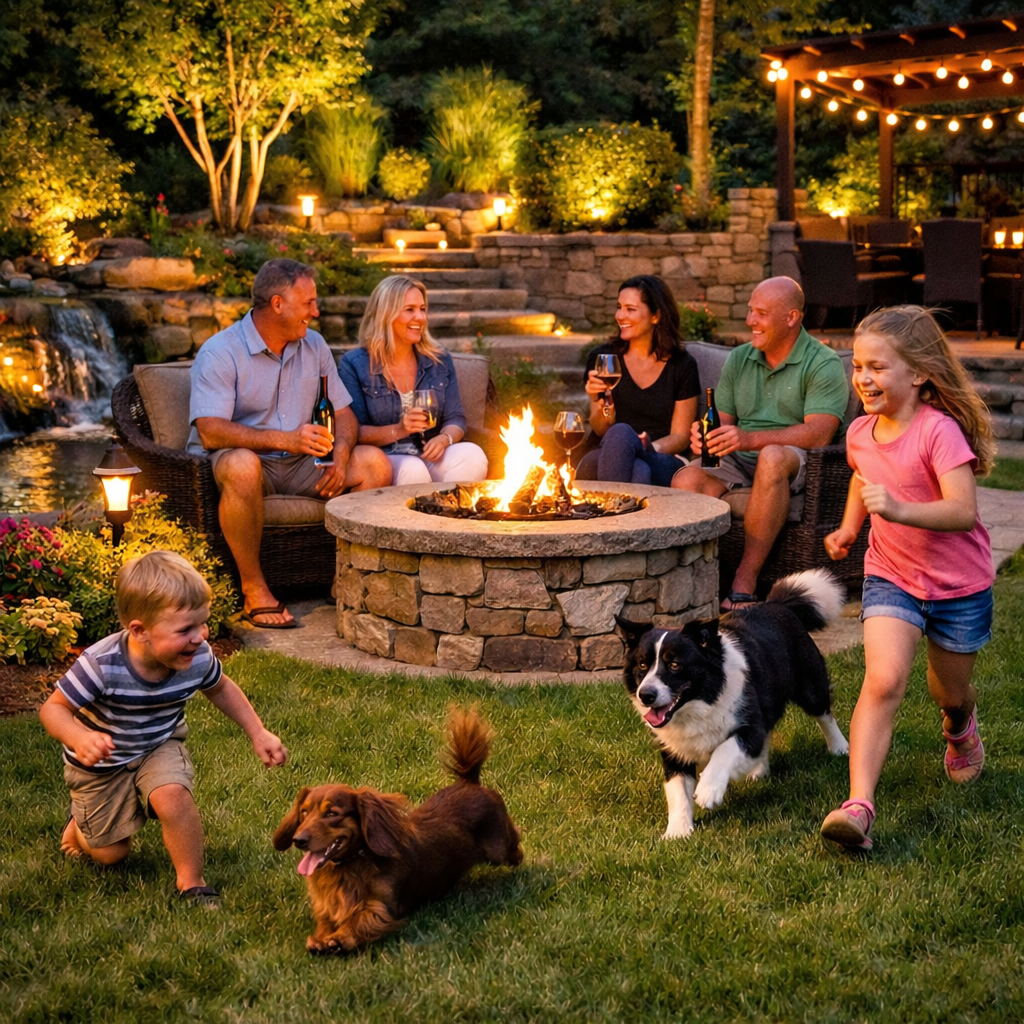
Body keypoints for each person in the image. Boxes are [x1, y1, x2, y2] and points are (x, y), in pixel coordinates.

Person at [820, 306, 995, 851]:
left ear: (918, 372)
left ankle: (959, 728)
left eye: (877, 367)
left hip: (958, 587)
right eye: (858, 367)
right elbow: (861, 478)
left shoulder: (937, 432)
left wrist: (896, 508)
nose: (863, 379)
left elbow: (961, 511)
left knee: (950, 691)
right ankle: (859, 806)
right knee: (884, 680)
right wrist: (851, 527)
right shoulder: (861, 432)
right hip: (891, 574)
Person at [38, 551, 288, 907]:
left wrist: (258, 732)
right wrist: (80, 737)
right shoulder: (101, 664)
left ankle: (192, 882)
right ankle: (77, 828)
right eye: (185, 629)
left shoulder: (196, 656)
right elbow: (53, 709)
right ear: (139, 631)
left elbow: (220, 688)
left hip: (159, 743)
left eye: (202, 623)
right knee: (111, 854)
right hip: (100, 764)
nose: (199, 637)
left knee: (172, 795)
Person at [187, 258, 391, 628]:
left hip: (301, 465)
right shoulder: (220, 352)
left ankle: (345, 578)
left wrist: (341, 457)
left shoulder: (314, 346)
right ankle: (254, 589)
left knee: (374, 463)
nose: (316, 311)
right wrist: (285, 439)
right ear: (278, 304)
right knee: (241, 465)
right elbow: (210, 431)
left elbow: (344, 414)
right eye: (308, 303)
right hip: (245, 463)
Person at [672, 276, 849, 609]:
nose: (750, 321)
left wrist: (749, 438)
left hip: (798, 460)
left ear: (792, 317)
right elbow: (722, 424)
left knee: (771, 456)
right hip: (742, 458)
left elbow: (820, 433)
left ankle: (745, 581)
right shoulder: (740, 359)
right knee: (686, 479)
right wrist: (703, 438)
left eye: (761, 313)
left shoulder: (822, 363)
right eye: (750, 311)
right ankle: (704, 578)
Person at [339, 275, 488, 485]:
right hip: (387, 457)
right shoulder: (355, 364)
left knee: (472, 455)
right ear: (386, 314)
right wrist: (399, 429)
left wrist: (444, 439)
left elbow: (456, 418)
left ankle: (447, 513)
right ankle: (418, 517)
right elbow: (354, 431)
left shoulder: (438, 359)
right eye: (409, 309)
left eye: (423, 309)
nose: (420, 317)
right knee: (413, 469)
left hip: (429, 453)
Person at [576, 275, 699, 488]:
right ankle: (626, 518)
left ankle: (610, 516)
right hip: (606, 452)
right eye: (619, 307)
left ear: (656, 316)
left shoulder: (682, 365)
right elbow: (601, 428)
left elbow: (680, 436)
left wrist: (646, 447)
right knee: (636, 466)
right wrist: (601, 403)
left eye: (630, 309)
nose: (620, 315)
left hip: (659, 455)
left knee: (628, 445)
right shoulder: (603, 359)